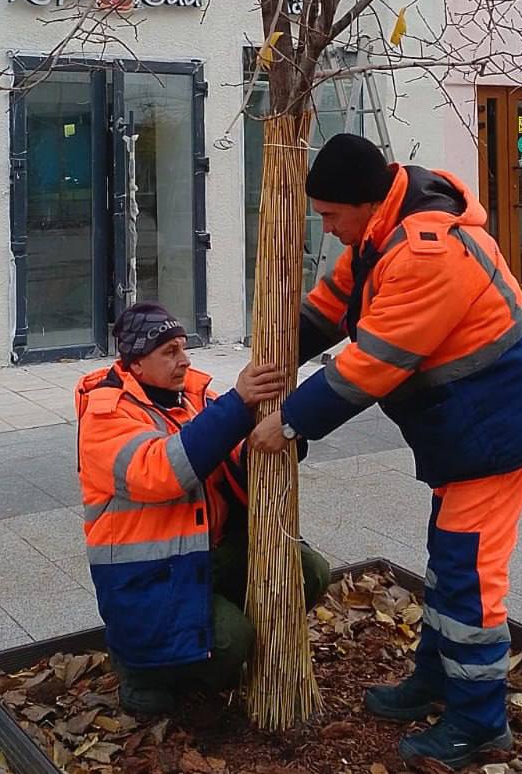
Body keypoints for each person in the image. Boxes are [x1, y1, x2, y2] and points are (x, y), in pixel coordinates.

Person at [250, 134, 522, 770]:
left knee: (470, 578)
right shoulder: (381, 230)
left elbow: (373, 366)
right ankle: (435, 681)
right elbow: (333, 304)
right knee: (450, 563)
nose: (328, 230)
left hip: (495, 429)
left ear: (364, 203)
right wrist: (274, 358)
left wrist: (289, 424)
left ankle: (480, 724)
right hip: (466, 429)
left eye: (332, 217)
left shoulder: (426, 251)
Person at [75, 301, 331, 715]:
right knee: (229, 642)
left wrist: (276, 435)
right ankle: (143, 674)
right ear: (136, 364)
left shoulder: (192, 394)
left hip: (204, 553)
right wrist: (238, 404)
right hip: (150, 576)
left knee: (308, 572)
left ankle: (205, 646)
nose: (184, 360)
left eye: (183, 347)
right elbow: (163, 471)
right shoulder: (106, 415)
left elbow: (231, 454)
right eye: (169, 352)